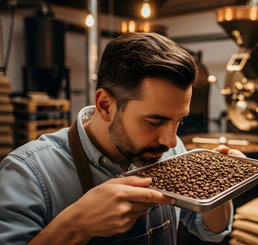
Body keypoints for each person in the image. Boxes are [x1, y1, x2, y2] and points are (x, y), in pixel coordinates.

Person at [0, 32, 242, 244]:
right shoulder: (28, 173)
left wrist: (222, 189)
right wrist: (76, 226)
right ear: (105, 105)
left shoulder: (172, 150)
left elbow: (211, 231)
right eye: (154, 121)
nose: (171, 140)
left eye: (179, 120)